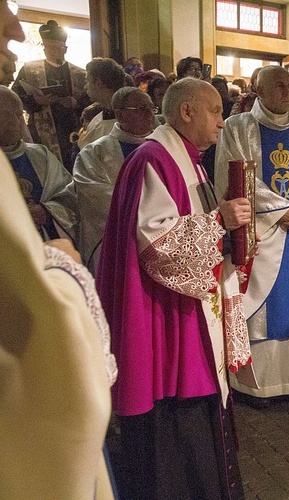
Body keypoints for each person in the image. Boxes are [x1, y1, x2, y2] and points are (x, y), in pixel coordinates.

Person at [96, 78, 251, 498]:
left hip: (188, 310)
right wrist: (221, 222)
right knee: (177, 425)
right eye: (216, 111)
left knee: (199, 421)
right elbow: (160, 247)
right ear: (187, 112)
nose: (223, 122)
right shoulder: (155, 158)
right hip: (167, 318)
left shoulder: (190, 158)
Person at [1, 4, 117, 498]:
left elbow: (65, 194)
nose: (15, 28)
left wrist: (50, 218)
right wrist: (66, 267)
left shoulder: (38, 156)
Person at [215, 65, 289, 405]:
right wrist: (281, 210)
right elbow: (231, 175)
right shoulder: (238, 128)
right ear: (259, 90)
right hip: (259, 234)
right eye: (278, 86)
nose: (287, 92)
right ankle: (257, 385)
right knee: (259, 304)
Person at [74, 87, 157, 273]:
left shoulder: (164, 145)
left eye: (152, 108)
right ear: (119, 115)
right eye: (141, 109)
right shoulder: (96, 152)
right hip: (121, 242)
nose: (150, 115)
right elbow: (93, 196)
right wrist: (146, 209)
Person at [0, 86, 77, 242]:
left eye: (19, 114)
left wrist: (47, 211)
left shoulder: (41, 155)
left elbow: (70, 196)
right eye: (7, 115)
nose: (16, 121)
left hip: (47, 245)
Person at [11, 20, 86, 172]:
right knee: (45, 168)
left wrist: (76, 102)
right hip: (41, 129)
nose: (52, 51)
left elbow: (90, 100)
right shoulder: (30, 69)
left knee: (73, 166)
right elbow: (15, 97)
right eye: (48, 47)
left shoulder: (79, 73)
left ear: (65, 49)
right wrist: (35, 100)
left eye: (57, 48)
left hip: (71, 129)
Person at [78, 58, 127, 149]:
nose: (85, 87)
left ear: (98, 83)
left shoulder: (129, 118)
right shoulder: (98, 118)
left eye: (87, 81)